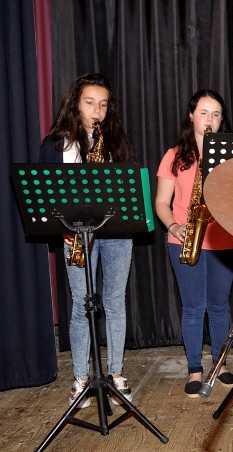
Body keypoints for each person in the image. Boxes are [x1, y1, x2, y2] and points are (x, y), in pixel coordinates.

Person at [39, 73, 135, 408]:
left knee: (115, 302)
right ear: (75, 104)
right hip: (77, 233)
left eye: (103, 104)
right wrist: (61, 227)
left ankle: (116, 373)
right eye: (90, 103)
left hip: (116, 232)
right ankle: (81, 378)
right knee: (81, 304)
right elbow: (46, 197)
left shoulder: (115, 141)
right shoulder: (57, 145)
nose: (97, 111)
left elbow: (127, 189)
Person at [155, 89, 233, 397]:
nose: (209, 120)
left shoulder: (232, 157)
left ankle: (220, 364)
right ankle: (194, 370)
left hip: (223, 239)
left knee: (219, 306)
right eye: (203, 113)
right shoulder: (174, 155)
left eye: (216, 114)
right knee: (193, 307)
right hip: (185, 238)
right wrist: (174, 226)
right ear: (191, 116)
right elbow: (161, 203)